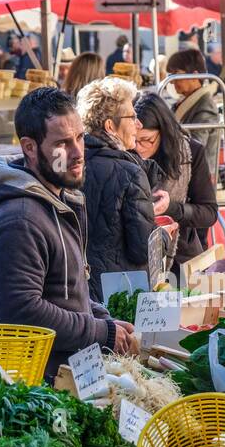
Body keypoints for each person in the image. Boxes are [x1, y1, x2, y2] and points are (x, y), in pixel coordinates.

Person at [0, 87, 136, 372]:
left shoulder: (58, 199)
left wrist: (102, 319)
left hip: (68, 378)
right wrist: (100, 332)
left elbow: (62, 291)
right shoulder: (20, 220)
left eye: (79, 137)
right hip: (34, 390)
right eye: (63, 143)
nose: (77, 153)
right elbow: (22, 313)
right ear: (29, 147)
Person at [77, 76, 157, 303]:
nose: (138, 124)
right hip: (120, 295)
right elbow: (143, 249)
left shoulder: (69, 167)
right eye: (132, 117)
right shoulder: (129, 173)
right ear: (110, 126)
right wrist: (163, 236)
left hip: (78, 293)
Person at [134, 93, 218, 271]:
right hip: (137, 258)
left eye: (146, 140)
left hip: (181, 260)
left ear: (163, 133)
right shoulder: (127, 154)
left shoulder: (191, 153)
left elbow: (209, 213)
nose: (138, 147)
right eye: (134, 139)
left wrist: (171, 208)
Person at [165, 47, 222, 175]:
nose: (172, 81)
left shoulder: (205, 106)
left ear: (195, 75)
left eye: (176, 74)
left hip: (198, 175)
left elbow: (196, 144)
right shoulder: (183, 103)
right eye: (171, 75)